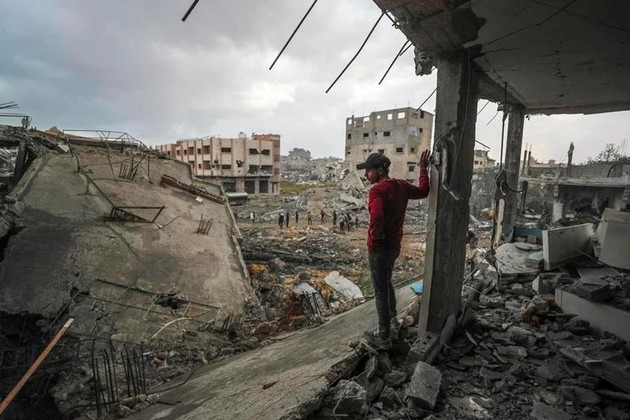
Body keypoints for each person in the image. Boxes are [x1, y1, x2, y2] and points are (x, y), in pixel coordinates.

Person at [358, 150, 431, 349]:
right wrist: (423, 170)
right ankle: (393, 323)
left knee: (380, 292)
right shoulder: (401, 186)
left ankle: (384, 337)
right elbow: (424, 191)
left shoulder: (377, 190)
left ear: (380, 170)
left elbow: (377, 216)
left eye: (369, 170)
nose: (366, 174)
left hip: (379, 249)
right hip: (394, 247)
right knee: (387, 282)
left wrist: (375, 236)